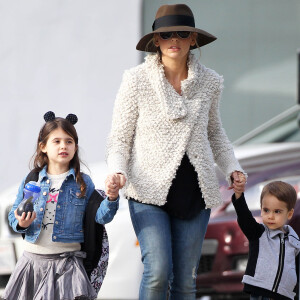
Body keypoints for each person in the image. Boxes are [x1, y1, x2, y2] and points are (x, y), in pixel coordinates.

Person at [106, 4, 246, 300]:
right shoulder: (136, 80)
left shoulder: (210, 82)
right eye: (166, 33)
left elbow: (215, 133)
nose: (174, 39)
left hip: (195, 192)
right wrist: (117, 171)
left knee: (185, 281)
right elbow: (119, 138)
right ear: (156, 40)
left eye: (182, 33)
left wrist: (233, 167)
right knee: (157, 272)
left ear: (193, 39)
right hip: (147, 191)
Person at [3, 111, 120, 300]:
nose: (63, 146)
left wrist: (112, 198)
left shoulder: (83, 182)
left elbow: (100, 217)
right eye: (56, 141)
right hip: (32, 264)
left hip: (67, 267)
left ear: (75, 147)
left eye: (69, 141)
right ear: (43, 147)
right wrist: (21, 223)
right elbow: (13, 216)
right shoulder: (32, 179)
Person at [232, 178, 300, 300]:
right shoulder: (258, 233)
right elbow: (244, 217)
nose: (270, 216)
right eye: (266, 210)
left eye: (277, 211)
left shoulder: (295, 242)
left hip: (285, 295)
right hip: (261, 293)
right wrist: (239, 195)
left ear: (289, 214)